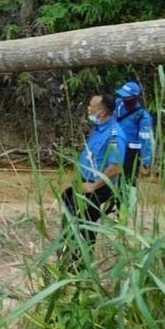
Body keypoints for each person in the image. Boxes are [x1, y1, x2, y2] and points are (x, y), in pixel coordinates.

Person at [60, 94, 126, 265]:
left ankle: (81, 265)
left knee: (85, 224)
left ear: (102, 112)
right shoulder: (99, 129)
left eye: (91, 105)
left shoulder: (115, 135)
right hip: (85, 182)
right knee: (69, 209)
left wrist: (94, 186)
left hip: (97, 187)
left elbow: (115, 167)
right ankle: (68, 256)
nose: (88, 108)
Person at [115, 81, 154, 184]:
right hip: (116, 146)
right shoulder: (118, 104)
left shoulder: (143, 117)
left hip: (131, 152)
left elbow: (146, 140)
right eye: (122, 96)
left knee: (127, 181)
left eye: (127, 97)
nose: (124, 99)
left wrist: (146, 161)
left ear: (135, 97)